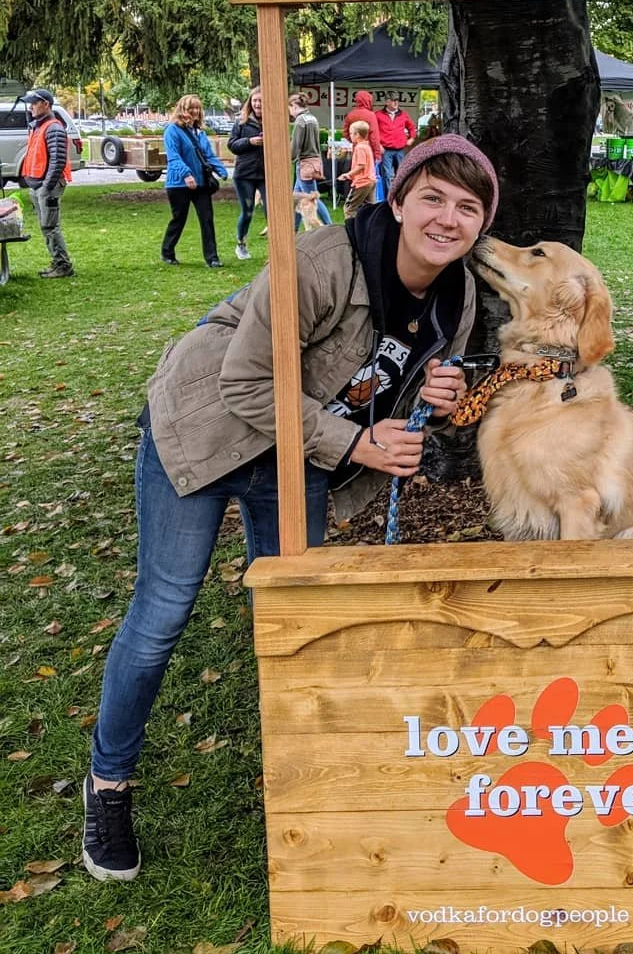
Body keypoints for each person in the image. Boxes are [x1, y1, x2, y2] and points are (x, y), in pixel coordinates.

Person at [81, 135, 498, 882]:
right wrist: (357, 444)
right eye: (432, 196)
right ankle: (108, 785)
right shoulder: (319, 263)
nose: (448, 218)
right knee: (163, 612)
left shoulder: (458, 298)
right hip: (206, 427)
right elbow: (245, 384)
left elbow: (404, 395)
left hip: (298, 451)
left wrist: (436, 400)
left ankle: (311, 787)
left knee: (297, 617)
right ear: (397, 199)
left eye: (469, 207)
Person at [161, 95, 228, 269]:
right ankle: (167, 252)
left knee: (207, 219)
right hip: (179, 184)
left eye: (198, 108)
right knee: (179, 218)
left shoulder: (200, 133)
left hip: (201, 183)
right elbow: (173, 157)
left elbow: (208, 155)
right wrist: (186, 174)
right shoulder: (172, 131)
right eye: (191, 108)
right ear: (182, 109)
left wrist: (221, 170)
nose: (195, 112)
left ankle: (212, 258)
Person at [22, 88, 75, 278]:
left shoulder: (53, 127)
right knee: (47, 226)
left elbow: (58, 160)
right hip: (39, 186)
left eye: (34, 103)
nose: (31, 107)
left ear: (46, 104)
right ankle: (58, 262)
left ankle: (63, 265)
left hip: (48, 186)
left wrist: (47, 186)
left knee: (50, 227)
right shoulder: (39, 126)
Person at [229, 87, 267, 260]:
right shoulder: (241, 122)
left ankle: (276, 247)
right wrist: (249, 141)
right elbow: (232, 145)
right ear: (250, 103)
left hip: (266, 174)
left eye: (261, 100)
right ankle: (241, 244)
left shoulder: (273, 120)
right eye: (255, 101)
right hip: (245, 174)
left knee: (272, 210)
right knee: (248, 211)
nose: (258, 104)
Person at [289, 93, 332, 230]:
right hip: (313, 160)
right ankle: (293, 229)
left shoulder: (300, 121)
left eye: (289, 108)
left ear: (294, 106)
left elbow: (296, 144)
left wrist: (289, 158)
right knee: (295, 199)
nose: (290, 112)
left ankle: (329, 226)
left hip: (304, 163)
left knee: (313, 198)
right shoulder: (312, 118)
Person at [375, 95, 417, 189]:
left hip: (400, 150)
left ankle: (400, 195)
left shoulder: (403, 114)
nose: (395, 102)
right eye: (393, 100)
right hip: (386, 150)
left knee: (402, 174)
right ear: (387, 102)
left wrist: (412, 138)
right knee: (387, 175)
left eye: (397, 100)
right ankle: (389, 199)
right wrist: (378, 144)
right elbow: (373, 131)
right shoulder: (378, 115)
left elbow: (412, 127)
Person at [339, 118, 377, 219]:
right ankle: (368, 229)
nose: (350, 136)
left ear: (357, 135)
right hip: (371, 181)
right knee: (369, 209)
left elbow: (361, 166)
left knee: (349, 208)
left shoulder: (359, 148)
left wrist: (348, 174)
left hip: (362, 182)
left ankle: (351, 231)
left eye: (351, 133)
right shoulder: (367, 146)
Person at [346, 91, 383, 164]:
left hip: (356, 148)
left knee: (356, 170)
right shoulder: (371, 115)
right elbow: (374, 137)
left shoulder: (350, 114)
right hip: (368, 149)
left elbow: (345, 133)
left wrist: (355, 141)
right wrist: (377, 154)